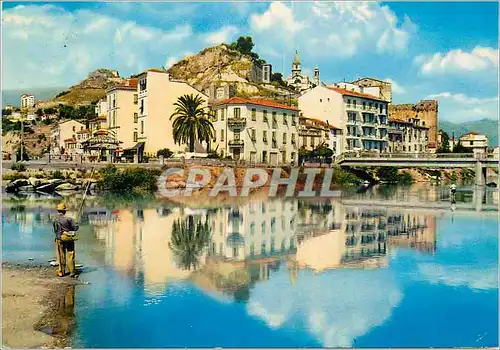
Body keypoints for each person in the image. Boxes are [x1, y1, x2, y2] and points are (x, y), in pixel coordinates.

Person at [53, 203, 79, 277]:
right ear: (65, 211)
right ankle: (72, 272)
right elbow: (75, 228)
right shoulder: (69, 219)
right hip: (69, 238)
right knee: (71, 254)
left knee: (61, 255)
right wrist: (76, 224)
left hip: (59, 238)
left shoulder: (54, 220)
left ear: (58, 211)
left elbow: (55, 230)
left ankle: (61, 272)